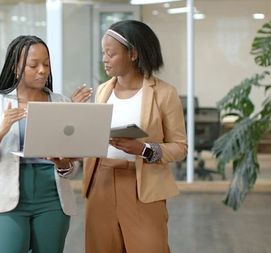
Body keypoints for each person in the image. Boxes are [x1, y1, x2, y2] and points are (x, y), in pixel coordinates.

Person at [83, 20, 187, 253]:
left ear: (133, 53)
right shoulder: (102, 91)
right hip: (101, 181)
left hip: (143, 186)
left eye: (111, 53)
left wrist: (144, 149)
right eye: (103, 53)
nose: (105, 59)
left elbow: (180, 147)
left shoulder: (164, 93)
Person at [0, 35, 79, 253]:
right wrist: (0, 132)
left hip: (53, 200)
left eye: (46, 64)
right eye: (33, 65)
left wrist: (63, 162)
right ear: (16, 68)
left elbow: (72, 168)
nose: (42, 70)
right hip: (6, 200)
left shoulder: (61, 102)